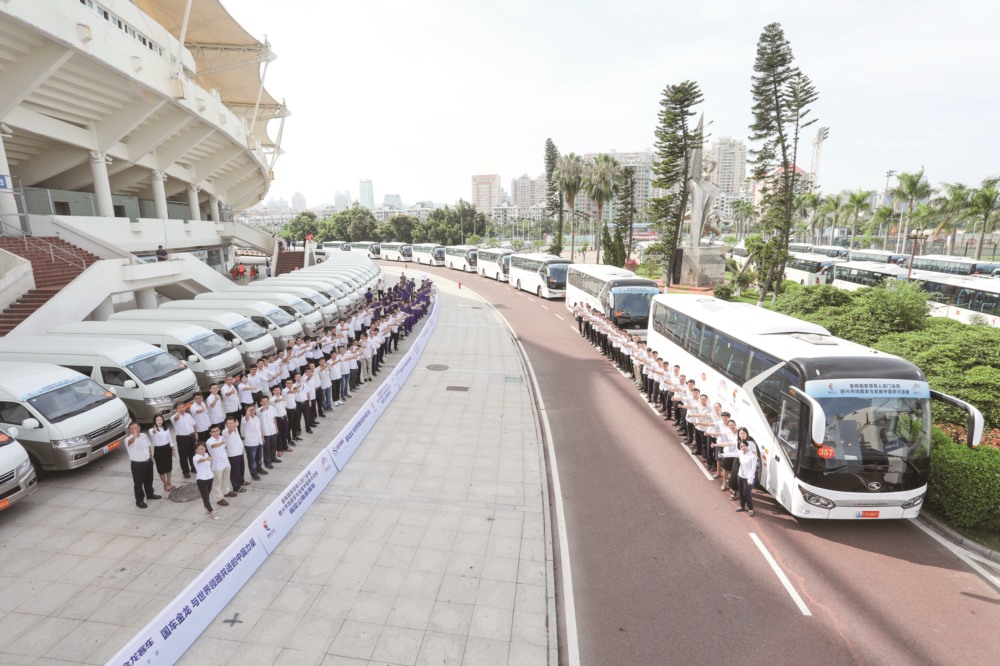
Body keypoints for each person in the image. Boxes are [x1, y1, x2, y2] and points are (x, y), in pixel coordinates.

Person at [125, 422, 160, 508]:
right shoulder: (128, 439)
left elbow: (148, 446)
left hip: (148, 461)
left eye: (136, 428)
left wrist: (151, 457)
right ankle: (139, 501)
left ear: (139, 427)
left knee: (149, 479)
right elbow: (130, 442)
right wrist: (134, 437)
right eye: (132, 429)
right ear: (129, 430)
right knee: (138, 483)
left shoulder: (144, 435)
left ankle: (150, 494)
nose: (134, 430)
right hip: (137, 465)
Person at [191, 442, 219, 520]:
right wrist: (206, 459)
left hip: (210, 477)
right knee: (205, 496)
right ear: (196, 450)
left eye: (202, 448)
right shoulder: (195, 457)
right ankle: (211, 511)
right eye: (198, 449)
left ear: (205, 448)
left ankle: (206, 506)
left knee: (207, 494)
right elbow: (200, 460)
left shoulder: (206, 454)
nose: (201, 450)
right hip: (201, 479)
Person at [206, 425, 232, 506]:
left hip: (225, 462)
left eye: (217, 430)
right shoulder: (209, 441)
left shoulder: (221, 438)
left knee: (226, 478)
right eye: (213, 431)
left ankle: (227, 492)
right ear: (210, 433)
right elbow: (214, 446)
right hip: (217, 465)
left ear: (219, 431)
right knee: (217, 483)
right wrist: (221, 443)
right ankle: (219, 499)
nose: (216, 433)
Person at [149, 415, 176, 493]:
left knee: (168, 467)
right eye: (157, 420)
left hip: (167, 448)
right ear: (154, 421)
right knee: (161, 469)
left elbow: (169, 438)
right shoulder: (151, 430)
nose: (159, 421)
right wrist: (155, 431)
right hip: (159, 450)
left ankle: (169, 482)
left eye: (161, 419)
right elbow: (153, 433)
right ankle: (165, 484)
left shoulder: (166, 428)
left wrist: (173, 448)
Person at [171, 402, 197, 480]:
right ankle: (185, 471)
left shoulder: (188, 415)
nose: (182, 409)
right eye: (179, 408)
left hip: (191, 436)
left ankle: (193, 468)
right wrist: (178, 413)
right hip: (182, 438)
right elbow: (176, 418)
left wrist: (196, 433)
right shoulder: (173, 417)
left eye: (183, 407)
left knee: (192, 454)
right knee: (183, 456)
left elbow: (193, 424)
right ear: (176, 409)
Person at [242, 405, 266, 479]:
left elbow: (260, 428)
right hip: (251, 443)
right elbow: (247, 418)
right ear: (247, 411)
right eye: (250, 410)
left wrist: (262, 437)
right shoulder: (244, 419)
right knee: (252, 460)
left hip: (259, 441)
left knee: (259, 458)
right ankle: (253, 473)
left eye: (253, 409)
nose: (252, 411)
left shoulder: (256, 418)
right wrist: (247, 414)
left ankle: (259, 468)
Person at [736, 439, 758, 516]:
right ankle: (742, 506)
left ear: (747, 445)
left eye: (744, 446)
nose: (743, 447)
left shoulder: (753, 456)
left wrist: (750, 479)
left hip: (748, 478)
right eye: (741, 446)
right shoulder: (740, 453)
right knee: (741, 492)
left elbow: (753, 469)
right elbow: (732, 454)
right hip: (740, 476)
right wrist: (723, 455)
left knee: (746, 494)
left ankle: (751, 509)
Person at [224, 417, 246, 493]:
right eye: (228, 423)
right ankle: (236, 487)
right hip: (233, 455)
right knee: (235, 472)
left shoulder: (235, 429)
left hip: (239, 453)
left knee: (241, 469)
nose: (230, 425)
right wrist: (235, 425)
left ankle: (241, 481)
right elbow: (230, 430)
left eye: (232, 423)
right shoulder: (225, 431)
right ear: (226, 425)